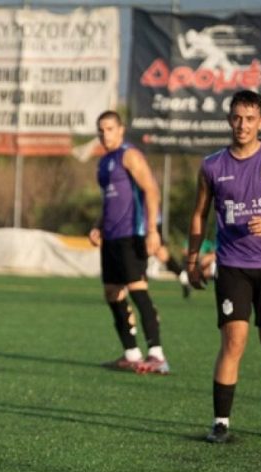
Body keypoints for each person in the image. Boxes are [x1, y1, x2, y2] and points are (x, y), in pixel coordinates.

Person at [187, 89, 261, 443]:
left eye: (250, 119)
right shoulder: (212, 166)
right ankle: (220, 422)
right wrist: (192, 259)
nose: (242, 125)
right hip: (232, 266)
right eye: (237, 117)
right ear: (229, 120)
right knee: (233, 342)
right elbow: (199, 215)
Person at [90, 111, 170, 374]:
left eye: (110, 128)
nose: (105, 134)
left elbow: (151, 190)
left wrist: (152, 230)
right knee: (112, 293)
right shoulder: (104, 162)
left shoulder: (130, 155)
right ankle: (132, 354)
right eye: (101, 129)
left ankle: (157, 355)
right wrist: (98, 226)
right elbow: (109, 201)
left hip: (132, 234)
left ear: (121, 130)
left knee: (138, 290)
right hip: (111, 237)